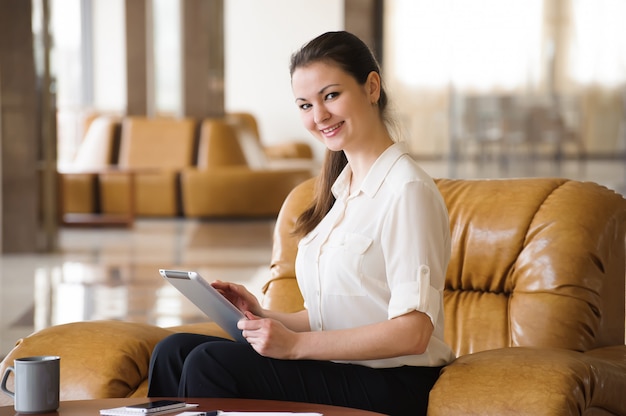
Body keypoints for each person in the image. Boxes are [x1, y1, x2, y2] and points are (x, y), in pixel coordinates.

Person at [147, 30, 455, 416]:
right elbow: (340, 313)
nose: (319, 116)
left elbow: (413, 332)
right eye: (305, 104)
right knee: (173, 352)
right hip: (340, 368)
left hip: (393, 384)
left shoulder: (406, 191)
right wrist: (264, 316)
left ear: (371, 87)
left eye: (331, 96)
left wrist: (294, 346)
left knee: (209, 363)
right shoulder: (340, 192)